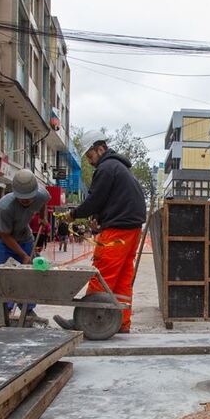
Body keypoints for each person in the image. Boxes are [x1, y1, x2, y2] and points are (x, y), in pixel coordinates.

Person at [54, 133, 146, 335]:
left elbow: (95, 199)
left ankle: (86, 323)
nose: (89, 160)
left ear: (100, 149)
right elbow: (108, 199)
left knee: (102, 274)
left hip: (117, 230)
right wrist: (99, 217)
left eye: (90, 155)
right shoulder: (119, 168)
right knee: (122, 277)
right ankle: (121, 323)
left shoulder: (106, 168)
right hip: (131, 228)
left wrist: (73, 215)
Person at [0, 169, 50, 324]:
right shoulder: (5, 207)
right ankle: (5, 310)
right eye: (22, 198)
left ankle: (28, 309)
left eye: (29, 198)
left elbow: (45, 202)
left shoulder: (40, 195)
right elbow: (4, 235)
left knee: (28, 275)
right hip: (0, 239)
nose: (26, 201)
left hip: (23, 235)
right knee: (3, 276)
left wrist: (43, 217)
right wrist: (22, 255)